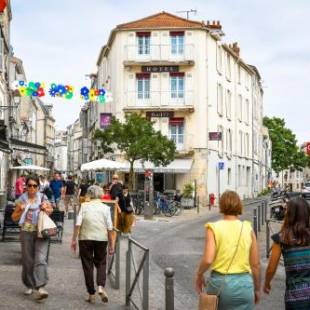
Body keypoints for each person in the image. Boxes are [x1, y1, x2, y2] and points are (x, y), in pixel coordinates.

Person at [195, 190, 260, 309]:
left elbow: (208, 260)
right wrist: (256, 289)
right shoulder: (248, 228)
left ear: (221, 205)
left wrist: (199, 274)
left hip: (221, 285)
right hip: (245, 285)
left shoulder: (213, 228)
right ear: (239, 205)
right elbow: (255, 264)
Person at [11, 175, 53, 301]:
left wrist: (46, 209)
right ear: (26, 187)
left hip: (41, 232)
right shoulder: (21, 200)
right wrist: (20, 209)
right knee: (27, 260)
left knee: (40, 259)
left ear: (38, 187)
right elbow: (14, 218)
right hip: (26, 232)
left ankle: (40, 287)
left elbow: (50, 210)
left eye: (35, 186)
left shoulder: (43, 198)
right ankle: (29, 284)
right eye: (29, 185)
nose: (32, 188)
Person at [264, 197, 310, 309]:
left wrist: (267, 283)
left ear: (289, 214)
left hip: (296, 299)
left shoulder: (281, 238)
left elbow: (271, 267)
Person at [71, 185, 114, 304]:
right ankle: (101, 286)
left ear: (89, 194)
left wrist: (74, 239)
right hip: (101, 238)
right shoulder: (105, 208)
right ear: (100, 194)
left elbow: (78, 224)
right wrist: (111, 244)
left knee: (87, 265)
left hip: (85, 238)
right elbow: (109, 227)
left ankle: (91, 293)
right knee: (101, 262)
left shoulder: (84, 206)